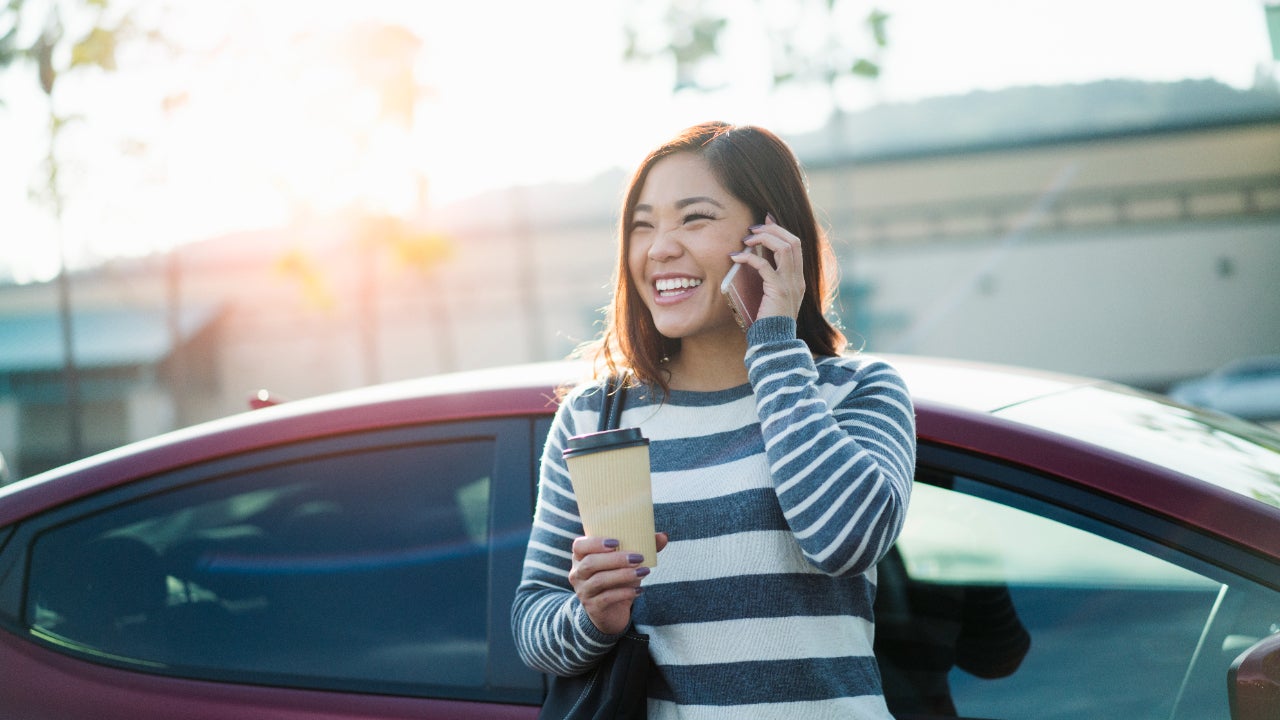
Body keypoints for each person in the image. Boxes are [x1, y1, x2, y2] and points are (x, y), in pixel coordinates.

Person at [512, 121, 917, 719]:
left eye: (693, 218)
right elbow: (532, 625)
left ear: (771, 237)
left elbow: (845, 540)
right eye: (642, 225)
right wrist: (593, 617)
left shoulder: (854, 391)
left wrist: (774, 342)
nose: (659, 248)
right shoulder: (596, 415)